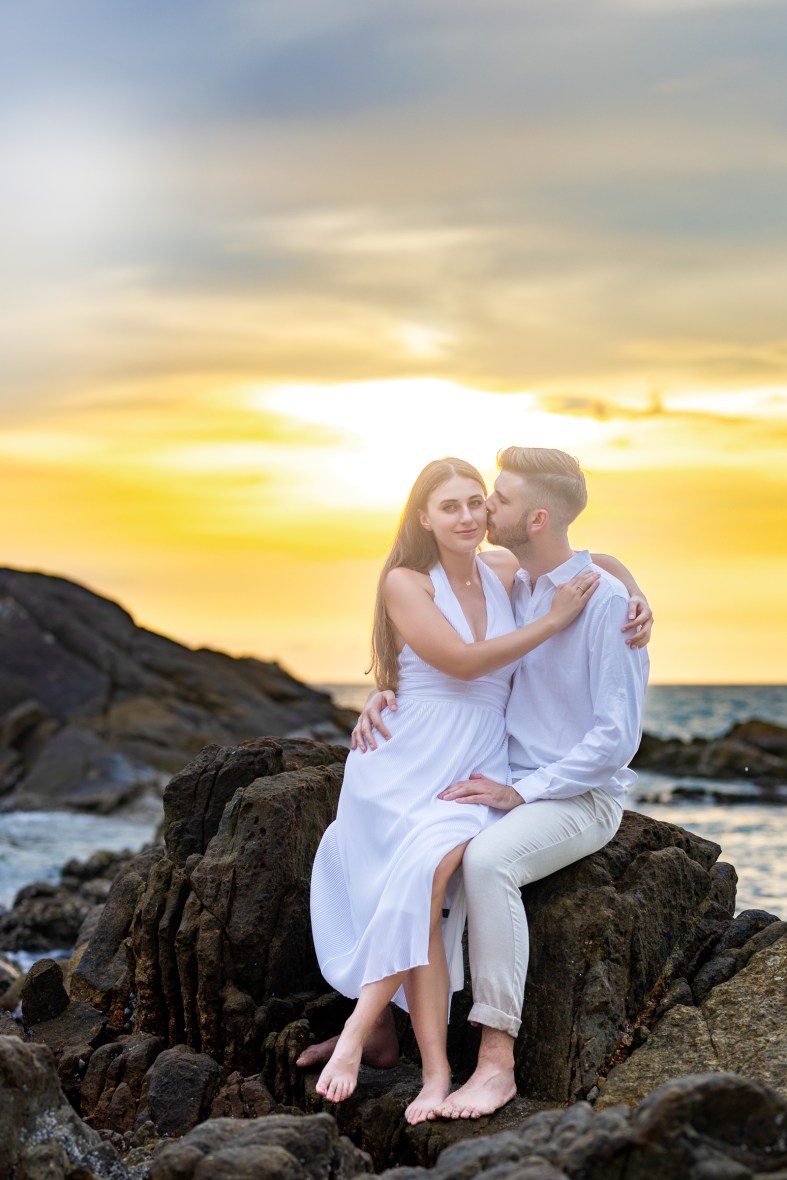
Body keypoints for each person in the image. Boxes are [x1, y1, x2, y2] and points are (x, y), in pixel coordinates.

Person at [307, 455, 651, 1125]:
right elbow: (455, 657)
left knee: (468, 863)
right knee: (410, 865)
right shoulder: (516, 582)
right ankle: (379, 1033)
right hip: (463, 767)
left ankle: (483, 1061)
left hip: (551, 786)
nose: (480, 511)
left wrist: (636, 596)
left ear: (535, 516)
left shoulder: (580, 593)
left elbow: (613, 738)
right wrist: (388, 692)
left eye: (490, 499)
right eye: (462, 503)